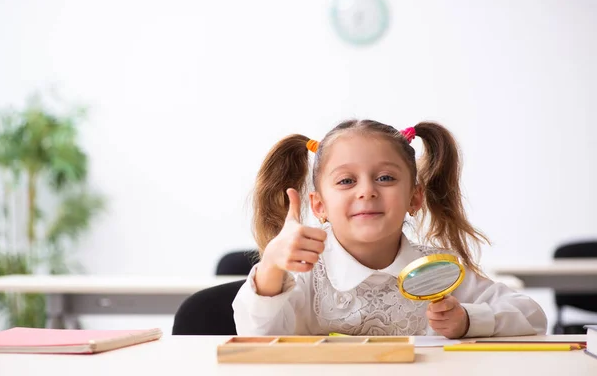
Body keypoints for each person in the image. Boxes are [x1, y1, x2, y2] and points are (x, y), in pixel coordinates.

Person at [232, 119, 547, 338]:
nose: (366, 191)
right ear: (319, 206)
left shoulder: (437, 270)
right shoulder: (305, 273)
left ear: (415, 197)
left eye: (385, 178)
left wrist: (466, 320)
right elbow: (255, 335)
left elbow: (533, 317)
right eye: (346, 181)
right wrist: (271, 264)